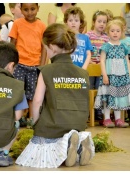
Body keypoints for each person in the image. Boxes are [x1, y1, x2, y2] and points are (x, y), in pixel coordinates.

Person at [16, 23, 95, 168]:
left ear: (51, 47)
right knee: (70, 131)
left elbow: (38, 100)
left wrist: (35, 122)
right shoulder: (83, 73)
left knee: (39, 143)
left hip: (54, 124)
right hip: (78, 123)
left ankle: (67, 150)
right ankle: (77, 144)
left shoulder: (46, 70)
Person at [9, 3, 46, 128]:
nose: (29, 12)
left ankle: (31, 118)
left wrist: (42, 65)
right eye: (26, 9)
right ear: (21, 10)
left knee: (32, 93)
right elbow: (12, 43)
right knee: (19, 92)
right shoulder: (17, 24)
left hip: (35, 65)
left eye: (32, 9)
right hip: (19, 64)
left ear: (38, 9)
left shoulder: (41, 25)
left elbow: (44, 47)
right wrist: (11, 62)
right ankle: (18, 118)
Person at [94, 19, 130, 128]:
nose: (115, 33)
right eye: (112, 31)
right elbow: (102, 61)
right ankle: (107, 119)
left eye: (118, 31)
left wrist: (128, 73)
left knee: (118, 97)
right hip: (109, 76)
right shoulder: (106, 46)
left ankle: (118, 119)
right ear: (108, 32)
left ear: (122, 32)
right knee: (108, 97)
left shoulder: (124, 46)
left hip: (121, 77)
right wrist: (104, 75)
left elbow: (127, 60)